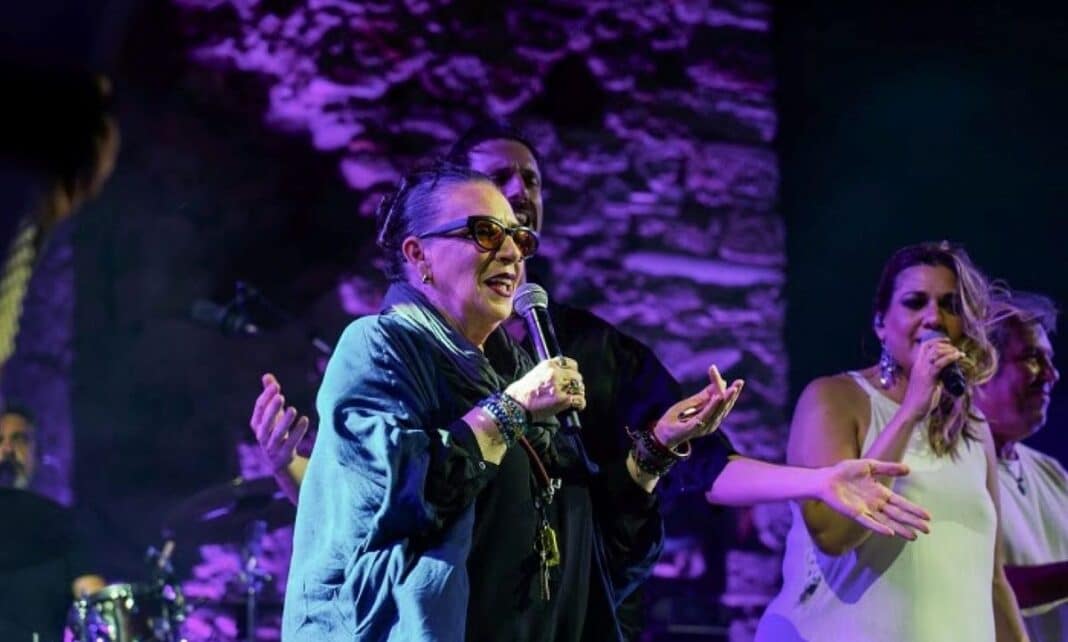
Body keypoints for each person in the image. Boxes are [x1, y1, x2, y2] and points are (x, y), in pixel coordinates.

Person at [280, 161, 929, 641]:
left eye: (520, 238)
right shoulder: (378, 347)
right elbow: (396, 492)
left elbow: (592, 551)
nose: (511, 250)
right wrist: (510, 409)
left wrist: (652, 453)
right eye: (483, 231)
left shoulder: (520, 373)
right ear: (417, 256)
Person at [755, 241, 1029, 642]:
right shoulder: (834, 399)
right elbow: (833, 535)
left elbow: (993, 580)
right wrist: (910, 411)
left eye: (950, 305)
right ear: (881, 323)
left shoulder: (973, 426)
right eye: (915, 302)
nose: (934, 317)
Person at [975, 289, 1067, 642]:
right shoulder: (950, 468)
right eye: (1032, 358)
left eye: (1050, 360)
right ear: (981, 369)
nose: (1051, 375)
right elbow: (979, 580)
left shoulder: (1050, 472)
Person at [0, 404, 106, 641]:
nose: (7, 449)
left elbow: (96, 602)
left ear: (37, 455)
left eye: (20, 440)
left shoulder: (63, 526)